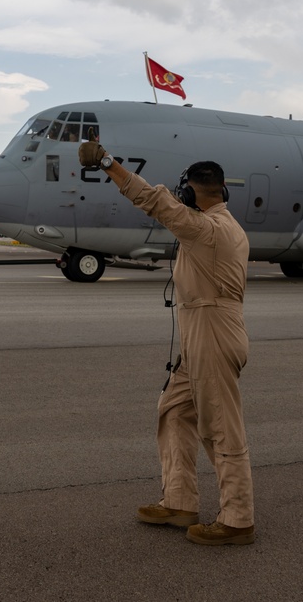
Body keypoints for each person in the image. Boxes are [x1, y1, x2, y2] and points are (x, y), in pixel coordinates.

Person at [78, 139, 255, 546]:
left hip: (212, 329)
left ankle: (238, 518)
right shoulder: (223, 227)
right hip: (202, 329)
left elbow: (155, 202)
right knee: (173, 410)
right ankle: (179, 501)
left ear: (191, 192)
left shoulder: (208, 229)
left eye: (184, 192)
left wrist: (108, 164)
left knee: (220, 427)